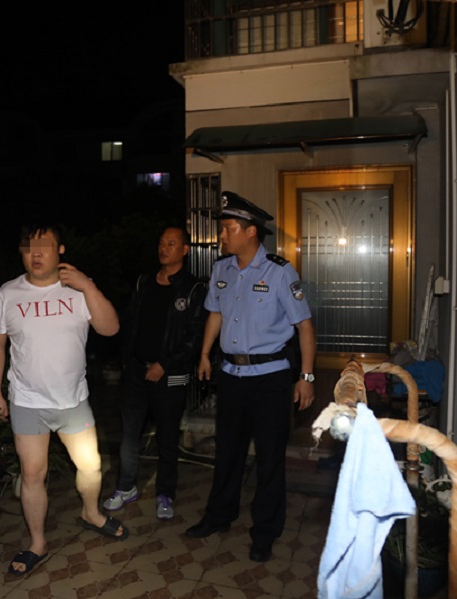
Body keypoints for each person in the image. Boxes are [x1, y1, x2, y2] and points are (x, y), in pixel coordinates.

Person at [0, 223, 128, 577]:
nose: (35, 254)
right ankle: (37, 542)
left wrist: (88, 286)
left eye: (44, 246)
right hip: (27, 402)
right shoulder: (8, 294)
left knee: (90, 466)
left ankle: (91, 513)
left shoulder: (78, 289)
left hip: (73, 401)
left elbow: (110, 328)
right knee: (32, 474)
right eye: (28, 247)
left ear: (60, 250)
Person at [184, 191, 317, 564]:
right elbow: (215, 314)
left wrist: (306, 377)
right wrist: (205, 354)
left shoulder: (280, 272)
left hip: (271, 379)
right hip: (231, 375)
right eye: (223, 229)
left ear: (250, 231)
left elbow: (305, 327)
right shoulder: (222, 270)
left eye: (228, 228)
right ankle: (219, 515)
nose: (222, 235)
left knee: (269, 458)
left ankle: (265, 531)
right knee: (228, 451)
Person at [103, 226, 206, 520]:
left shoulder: (193, 288)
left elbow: (194, 336)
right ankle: (126, 487)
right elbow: (131, 323)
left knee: (167, 437)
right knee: (129, 434)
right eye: (161, 243)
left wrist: (165, 364)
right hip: (137, 370)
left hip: (170, 374)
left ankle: (165, 494)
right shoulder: (144, 282)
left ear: (184, 250)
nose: (164, 248)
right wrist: (127, 361)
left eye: (171, 244)